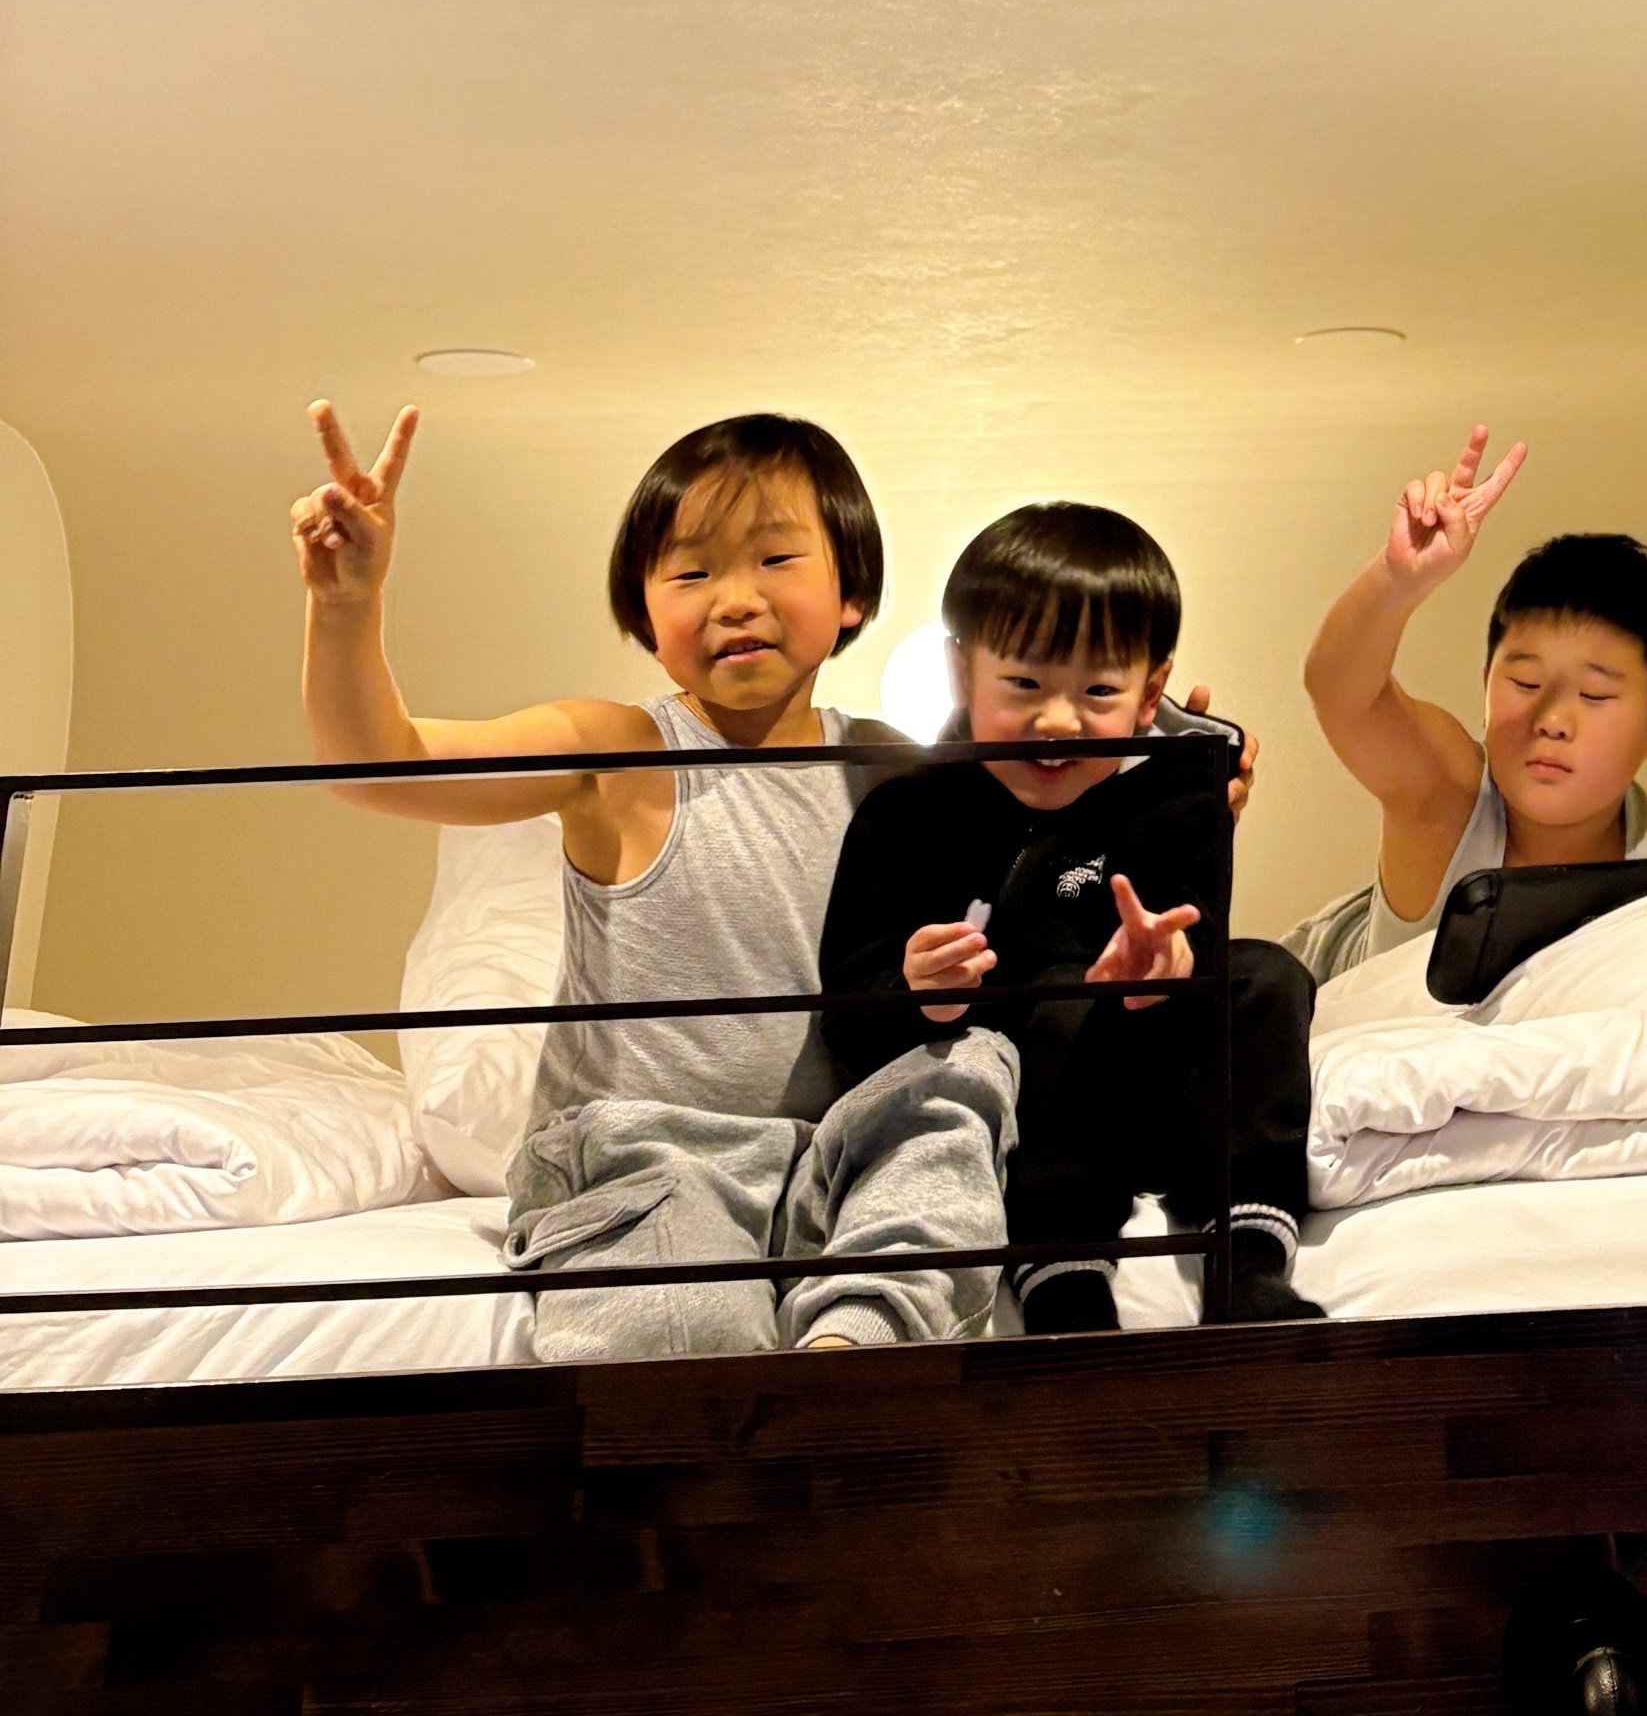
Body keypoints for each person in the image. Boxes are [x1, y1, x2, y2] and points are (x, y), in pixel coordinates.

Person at [289, 401, 1239, 1358]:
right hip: (648, 1158)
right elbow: (380, 767)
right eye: (691, 571)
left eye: (776, 559)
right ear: (643, 612)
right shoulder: (620, 754)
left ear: (851, 593)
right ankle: (743, 1392)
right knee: (680, 1319)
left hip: (838, 1156)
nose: (735, 598)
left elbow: (1065, 831)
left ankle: (850, 1350)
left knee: (965, 1079)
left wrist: (1189, 792)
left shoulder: (901, 773)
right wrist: (345, 606)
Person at [821, 500, 1317, 1331]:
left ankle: (1248, 1259)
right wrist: (920, 995)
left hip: (1162, 1085)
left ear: (1150, 691)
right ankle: (1062, 1277)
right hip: (1038, 1120)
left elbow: (1194, 930)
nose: (1057, 720)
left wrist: (1168, 967)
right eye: (1023, 684)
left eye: (1098, 690)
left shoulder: (1176, 797)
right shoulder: (907, 815)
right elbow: (848, 1016)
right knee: (1046, 1006)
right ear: (961, 675)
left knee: (1268, 971)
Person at [1292, 429, 1647, 980]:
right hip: (1302, 998)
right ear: (1486, 687)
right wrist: (1398, 580)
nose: (1553, 722)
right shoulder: (1449, 794)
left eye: (1594, 695)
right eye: (1525, 683)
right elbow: (1343, 693)